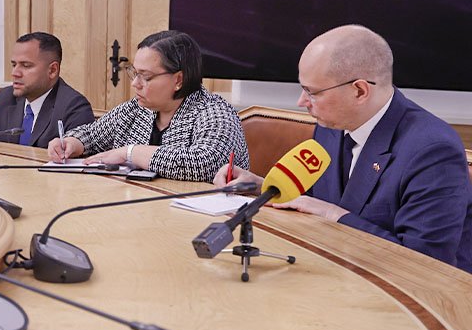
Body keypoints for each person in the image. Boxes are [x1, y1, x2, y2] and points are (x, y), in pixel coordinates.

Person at [215, 24, 471, 272]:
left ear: (359, 91)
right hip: (335, 272)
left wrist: (335, 215)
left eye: (312, 92)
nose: (301, 101)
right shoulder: (332, 123)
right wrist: (261, 187)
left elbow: (425, 262)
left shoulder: (433, 150)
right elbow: (313, 198)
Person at [47, 31, 249, 181]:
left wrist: (130, 152)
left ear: (179, 80)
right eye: (135, 73)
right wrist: (72, 143)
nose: (135, 84)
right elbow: (92, 134)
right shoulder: (137, 109)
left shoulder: (215, 112)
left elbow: (205, 164)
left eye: (146, 76)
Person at [0, 32, 93, 147]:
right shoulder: (6, 97)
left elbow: (72, 155)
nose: (15, 73)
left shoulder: (74, 107)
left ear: (52, 70)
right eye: (14, 65)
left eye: (26, 65)